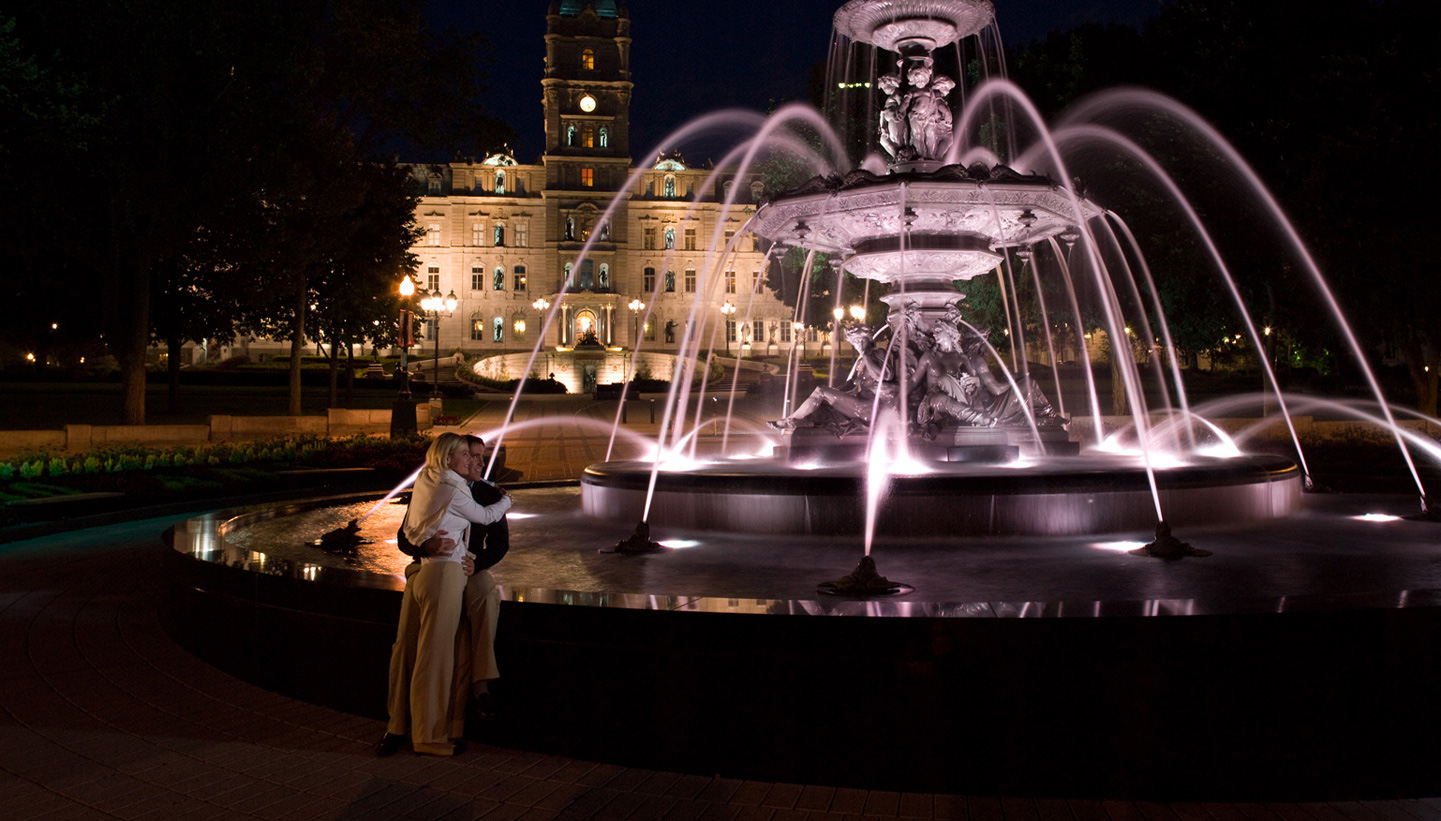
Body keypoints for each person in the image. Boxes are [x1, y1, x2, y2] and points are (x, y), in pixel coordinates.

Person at [377, 433, 511, 757]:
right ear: (454, 458)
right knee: (405, 646)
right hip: (433, 569)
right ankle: (397, 726)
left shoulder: (485, 492)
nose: (479, 462)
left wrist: (477, 561)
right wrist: (425, 546)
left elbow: (500, 543)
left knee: (487, 597)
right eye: (472, 455)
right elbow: (403, 536)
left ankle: (481, 683)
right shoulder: (440, 485)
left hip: (469, 570)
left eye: (480, 456)